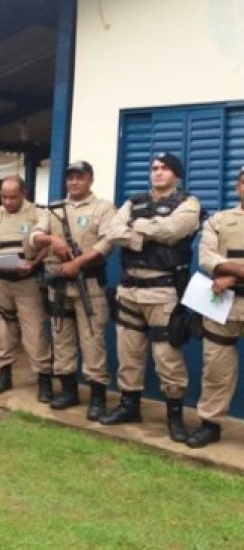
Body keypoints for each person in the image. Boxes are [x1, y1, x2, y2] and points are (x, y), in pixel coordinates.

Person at [100, 152, 201, 443]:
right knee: (128, 355)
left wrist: (135, 228)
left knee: (167, 358)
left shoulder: (188, 203)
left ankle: (175, 417)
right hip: (129, 288)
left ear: (176, 174)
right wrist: (144, 233)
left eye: (165, 168)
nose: (157, 172)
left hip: (163, 291)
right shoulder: (133, 200)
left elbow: (171, 232)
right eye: (154, 168)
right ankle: (129, 406)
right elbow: (112, 231)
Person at [30, 161, 116, 419]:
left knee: (93, 340)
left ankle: (97, 398)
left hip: (89, 285)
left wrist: (78, 263)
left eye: (80, 177)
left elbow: (107, 243)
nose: (74, 182)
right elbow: (33, 237)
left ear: (90, 179)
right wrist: (51, 239)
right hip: (59, 284)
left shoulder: (103, 208)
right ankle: (68, 391)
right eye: (70, 178)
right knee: (61, 338)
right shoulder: (54, 208)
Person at [0, 174, 54, 402]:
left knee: (34, 331)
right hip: (1, 281)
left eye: (13, 197)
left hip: (27, 281)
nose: (8, 202)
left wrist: (34, 264)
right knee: (3, 330)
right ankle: (4, 374)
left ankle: (44, 379)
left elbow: (46, 245)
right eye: (4, 197)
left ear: (23, 194)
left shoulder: (38, 214)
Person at [185, 166, 244, 448]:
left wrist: (232, 273)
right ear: (238, 187)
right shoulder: (219, 220)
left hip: (228, 286)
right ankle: (210, 423)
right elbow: (207, 256)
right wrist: (230, 273)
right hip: (225, 304)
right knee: (216, 367)